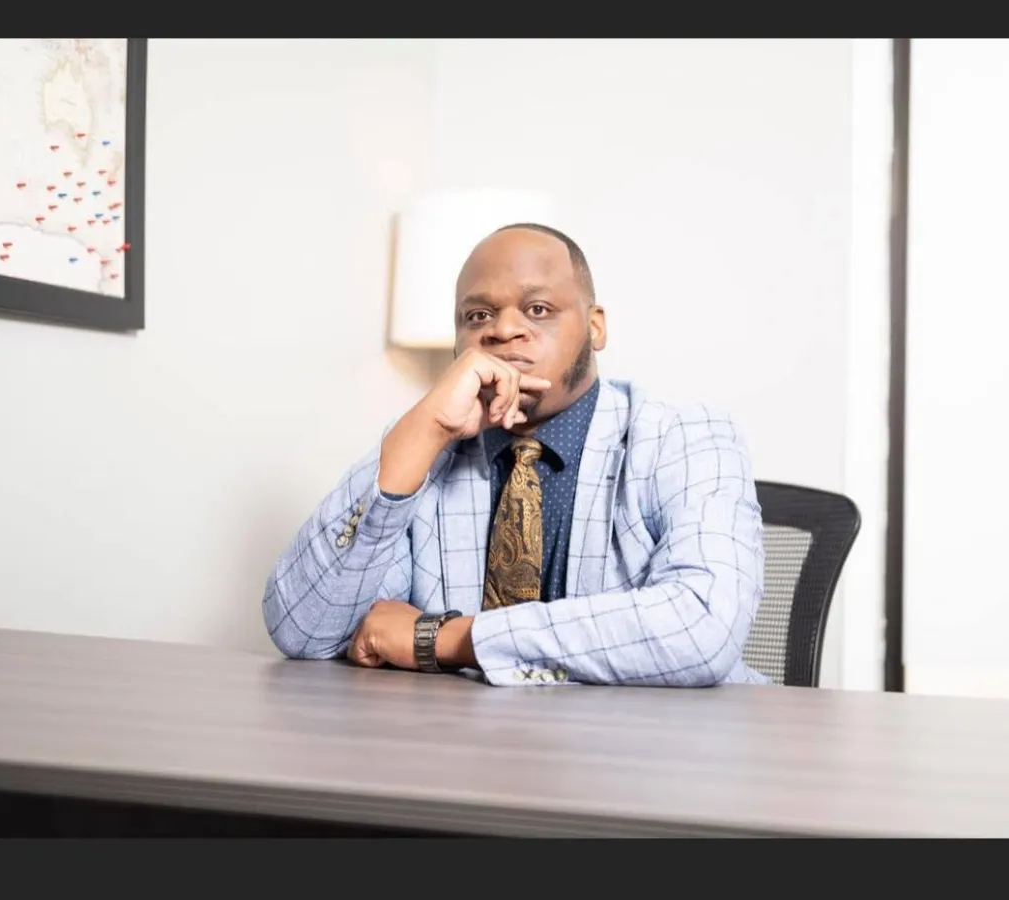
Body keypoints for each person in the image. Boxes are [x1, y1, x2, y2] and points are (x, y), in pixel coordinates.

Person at [263, 223, 768, 686]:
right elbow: (304, 632)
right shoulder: (428, 450)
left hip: (651, 745)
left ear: (595, 327)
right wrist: (424, 430)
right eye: (478, 315)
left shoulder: (685, 439)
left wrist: (447, 639)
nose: (503, 330)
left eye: (538, 309)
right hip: (462, 746)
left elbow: (703, 627)